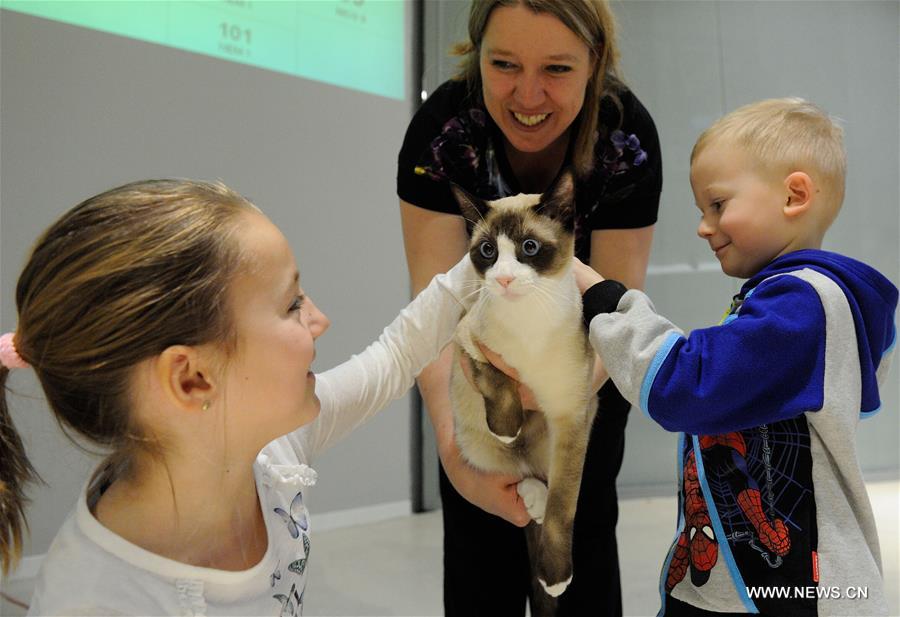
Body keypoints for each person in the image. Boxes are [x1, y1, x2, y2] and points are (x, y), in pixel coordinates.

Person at [0, 179, 479, 616]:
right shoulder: (94, 602)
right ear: (192, 379)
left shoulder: (269, 449)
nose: (320, 319)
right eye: (293, 304)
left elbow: (397, 354)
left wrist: (500, 251)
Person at [577, 98, 897, 616]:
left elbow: (688, 386)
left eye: (718, 205)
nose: (704, 226)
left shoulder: (801, 306)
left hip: (784, 590)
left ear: (794, 195)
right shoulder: (797, 300)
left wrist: (609, 304)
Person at [397, 0, 661, 614]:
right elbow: (433, 316)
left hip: (580, 375)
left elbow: (614, 313)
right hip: (478, 378)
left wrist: (560, 405)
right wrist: (460, 454)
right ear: (476, 56)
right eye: (504, 64)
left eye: (559, 70)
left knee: (579, 537)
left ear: (596, 64)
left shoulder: (623, 136)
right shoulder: (443, 134)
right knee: (478, 553)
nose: (528, 94)